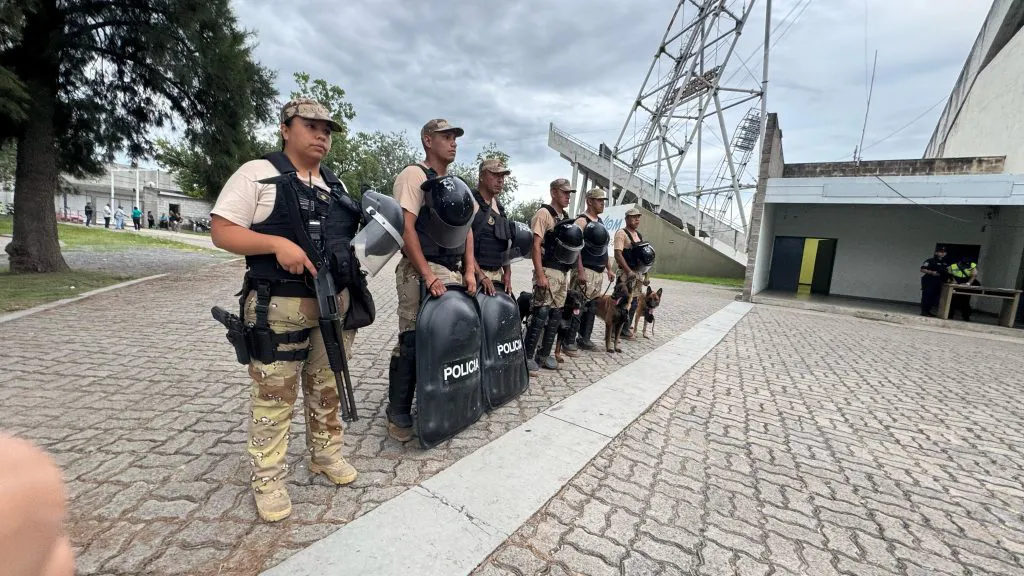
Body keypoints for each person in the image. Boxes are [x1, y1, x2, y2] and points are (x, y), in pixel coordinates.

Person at [209, 97, 364, 522]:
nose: (321, 135)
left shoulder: (337, 186)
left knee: (327, 387)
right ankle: (268, 477)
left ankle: (326, 454)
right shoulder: (257, 174)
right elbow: (221, 231)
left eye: (327, 129)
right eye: (311, 125)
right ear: (285, 127)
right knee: (275, 396)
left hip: (331, 306)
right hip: (277, 306)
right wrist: (276, 244)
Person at [385, 118, 478, 443]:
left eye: (455, 137)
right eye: (446, 137)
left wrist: (469, 270)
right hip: (418, 269)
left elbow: (467, 229)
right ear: (428, 140)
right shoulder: (414, 175)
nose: (453, 142)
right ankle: (397, 411)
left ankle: (439, 402)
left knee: (449, 338)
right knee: (412, 339)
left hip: (450, 269)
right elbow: (405, 227)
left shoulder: (454, 183)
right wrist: (426, 274)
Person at [523, 178, 583, 372]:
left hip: (562, 272)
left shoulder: (564, 217)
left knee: (556, 314)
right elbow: (535, 244)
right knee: (540, 312)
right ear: (554, 193)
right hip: (547, 269)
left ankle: (544, 354)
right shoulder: (544, 214)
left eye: (569, 194)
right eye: (565, 193)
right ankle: (528, 355)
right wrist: (540, 274)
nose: (568, 197)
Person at [570, 188, 615, 351]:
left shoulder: (600, 222)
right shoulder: (581, 221)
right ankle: (570, 338)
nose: (603, 203)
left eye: (603, 201)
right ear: (589, 201)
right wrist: (580, 270)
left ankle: (585, 338)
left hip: (597, 272)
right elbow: (576, 248)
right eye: (599, 200)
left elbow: (603, 248)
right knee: (578, 304)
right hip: (585, 270)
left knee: (592, 306)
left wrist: (609, 269)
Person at [471, 158, 514, 295]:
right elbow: (462, 245)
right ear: (481, 176)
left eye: (502, 176)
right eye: (495, 175)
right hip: (474, 277)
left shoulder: (500, 209)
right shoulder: (471, 202)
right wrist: (480, 275)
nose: (500, 180)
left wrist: (507, 272)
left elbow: (505, 243)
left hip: (497, 277)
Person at [614, 207, 649, 337]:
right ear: (627, 219)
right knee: (621, 300)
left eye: (638, 217)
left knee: (634, 302)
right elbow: (618, 254)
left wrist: (645, 275)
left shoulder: (638, 235)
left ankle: (625, 328)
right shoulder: (621, 233)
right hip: (625, 273)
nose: (637, 219)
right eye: (634, 217)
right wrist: (628, 271)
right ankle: (615, 329)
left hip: (638, 273)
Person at [919, 245, 949, 317]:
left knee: (934, 297)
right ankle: (924, 311)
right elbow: (922, 269)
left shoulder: (945, 262)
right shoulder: (930, 260)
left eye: (944, 252)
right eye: (940, 252)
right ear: (936, 252)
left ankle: (928, 311)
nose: (942, 253)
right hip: (929, 280)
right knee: (927, 296)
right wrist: (932, 272)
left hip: (939, 281)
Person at [948, 256, 979, 321]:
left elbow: (974, 275)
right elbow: (948, 274)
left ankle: (966, 317)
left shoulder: (972, 265)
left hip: (967, 282)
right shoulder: (953, 266)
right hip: (956, 281)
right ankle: (949, 315)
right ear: (960, 262)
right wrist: (953, 281)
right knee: (952, 300)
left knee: (965, 301)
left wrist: (968, 283)